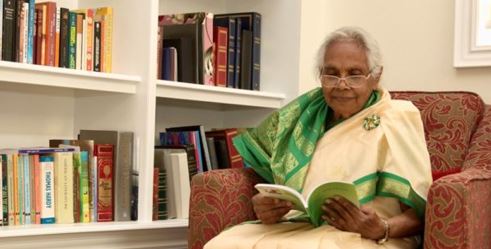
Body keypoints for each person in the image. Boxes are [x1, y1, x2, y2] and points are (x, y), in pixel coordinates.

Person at [204, 26, 432, 249]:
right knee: (222, 244)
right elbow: (272, 184)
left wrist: (382, 228)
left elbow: (423, 211)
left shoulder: (398, 116)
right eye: (332, 74)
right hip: (301, 227)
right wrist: (265, 205)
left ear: (375, 77)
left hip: (368, 236)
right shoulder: (302, 116)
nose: (342, 85)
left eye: (354, 75)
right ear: (320, 76)